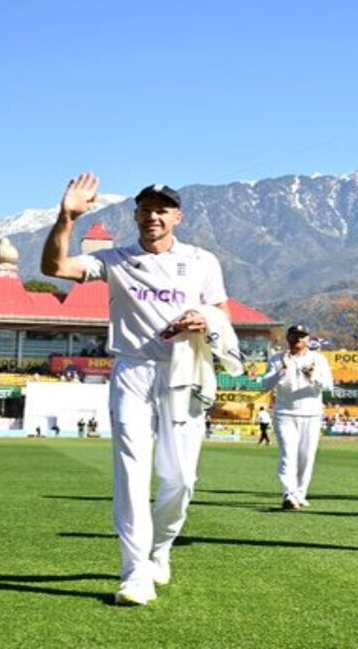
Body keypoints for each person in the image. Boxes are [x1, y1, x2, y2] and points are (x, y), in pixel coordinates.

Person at [41, 174, 235, 606]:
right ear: (135, 216)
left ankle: (161, 548)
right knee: (131, 473)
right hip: (132, 370)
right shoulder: (116, 259)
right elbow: (55, 268)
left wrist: (206, 320)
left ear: (177, 217)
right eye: (145, 208)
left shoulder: (202, 261)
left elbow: (222, 313)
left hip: (185, 371)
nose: (153, 215)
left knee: (181, 479)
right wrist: (66, 219)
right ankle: (133, 573)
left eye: (162, 209)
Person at [260, 324, 334, 510]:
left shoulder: (318, 359)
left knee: (306, 457)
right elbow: (265, 384)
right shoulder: (278, 359)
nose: (298, 339)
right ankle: (289, 493)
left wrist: (313, 376)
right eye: (294, 335)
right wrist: (281, 372)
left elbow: (328, 387)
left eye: (302, 336)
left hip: (312, 413)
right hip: (285, 413)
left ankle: (300, 493)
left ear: (308, 339)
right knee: (288, 455)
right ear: (288, 338)